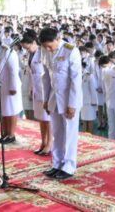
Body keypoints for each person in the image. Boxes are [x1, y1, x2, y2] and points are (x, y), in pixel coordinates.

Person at [39, 27, 81, 180]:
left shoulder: (71, 51)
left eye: (50, 46)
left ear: (57, 39)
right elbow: (46, 77)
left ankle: (69, 166)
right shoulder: (45, 51)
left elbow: (76, 80)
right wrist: (45, 99)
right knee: (57, 133)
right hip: (53, 98)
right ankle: (57, 163)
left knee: (69, 133)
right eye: (45, 46)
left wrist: (72, 104)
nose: (48, 49)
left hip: (68, 99)